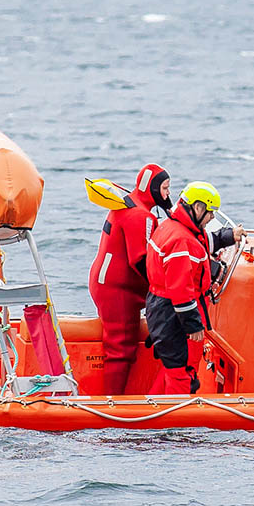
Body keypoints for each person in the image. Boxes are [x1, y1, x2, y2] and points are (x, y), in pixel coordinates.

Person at [144, 181, 241, 395]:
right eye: (210, 212)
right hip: (173, 315)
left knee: (173, 369)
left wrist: (229, 236)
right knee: (182, 373)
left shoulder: (173, 227)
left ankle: (151, 412)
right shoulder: (181, 240)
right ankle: (175, 424)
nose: (212, 218)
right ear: (198, 208)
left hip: (161, 309)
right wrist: (193, 326)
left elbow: (203, 241)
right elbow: (181, 291)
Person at [88, 163, 171, 395]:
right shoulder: (140, 215)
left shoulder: (126, 201)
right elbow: (140, 260)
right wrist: (163, 289)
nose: (167, 195)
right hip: (117, 289)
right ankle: (113, 405)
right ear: (153, 189)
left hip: (107, 282)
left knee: (121, 343)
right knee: (120, 347)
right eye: (165, 188)